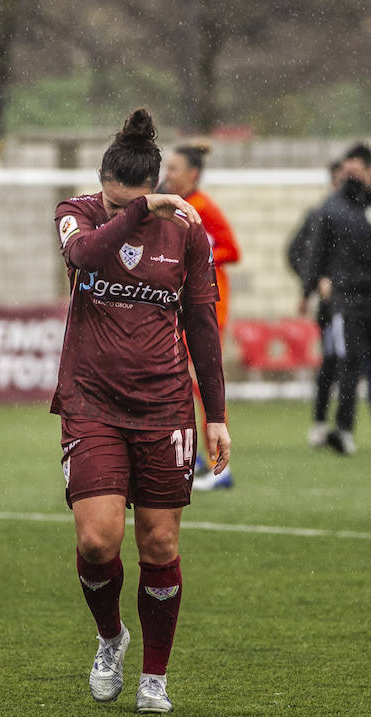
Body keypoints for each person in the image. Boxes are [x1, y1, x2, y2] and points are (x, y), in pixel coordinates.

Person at [53, 108, 229, 714]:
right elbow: (86, 258)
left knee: (158, 544)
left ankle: (155, 676)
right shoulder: (77, 212)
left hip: (165, 405)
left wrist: (218, 414)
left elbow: (202, 324)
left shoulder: (188, 230)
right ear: (100, 180)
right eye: (110, 194)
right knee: (99, 543)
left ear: (153, 185)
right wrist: (136, 211)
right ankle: (110, 639)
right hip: (91, 401)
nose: (114, 203)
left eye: (129, 197)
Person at [308, 143, 371, 454]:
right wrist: (314, 283)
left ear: (370, 170)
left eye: (356, 171)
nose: (350, 177)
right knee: (347, 363)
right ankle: (344, 431)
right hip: (345, 299)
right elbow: (317, 250)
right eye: (346, 171)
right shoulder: (333, 206)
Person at [163, 142, 240, 490]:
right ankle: (191, 459)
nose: (168, 175)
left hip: (207, 308)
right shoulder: (171, 208)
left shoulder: (203, 207)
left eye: (175, 169)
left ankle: (219, 468)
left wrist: (200, 252)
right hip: (179, 307)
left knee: (201, 383)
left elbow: (231, 249)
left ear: (193, 174)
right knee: (178, 382)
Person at [288, 159, 346, 449]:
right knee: (333, 361)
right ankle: (322, 423)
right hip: (332, 305)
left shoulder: (365, 214)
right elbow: (296, 252)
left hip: (363, 303)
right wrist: (313, 282)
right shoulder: (320, 214)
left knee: (366, 365)